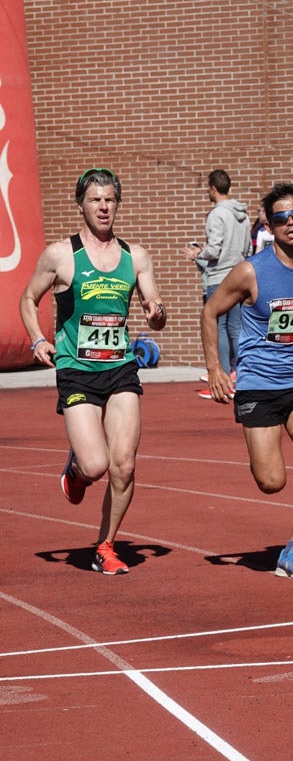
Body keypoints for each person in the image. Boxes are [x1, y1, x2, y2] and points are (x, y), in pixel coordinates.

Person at [19, 167, 167, 575]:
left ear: (117, 204)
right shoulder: (60, 255)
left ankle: (105, 544)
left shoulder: (135, 256)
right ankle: (77, 470)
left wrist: (156, 313)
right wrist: (37, 340)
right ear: (80, 205)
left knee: (125, 465)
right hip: (76, 370)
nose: (103, 207)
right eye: (95, 200)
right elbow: (28, 299)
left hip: (120, 368)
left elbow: (155, 309)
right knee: (96, 465)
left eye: (110, 200)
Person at [201, 182, 293, 578]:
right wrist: (216, 367)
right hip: (258, 385)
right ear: (270, 225)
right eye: (281, 218)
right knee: (272, 481)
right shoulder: (252, 271)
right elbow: (211, 311)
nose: (290, 223)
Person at [183, 169, 250, 375]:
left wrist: (197, 253)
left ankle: (221, 373)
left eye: (208, 189)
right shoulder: (244, 215)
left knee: (218, 324)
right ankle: (239, 372)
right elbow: (248, 249)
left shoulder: (217, 214)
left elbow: (214, 250)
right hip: (240, 275)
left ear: (213, 188)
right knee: (237, 326)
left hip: (219, 277)